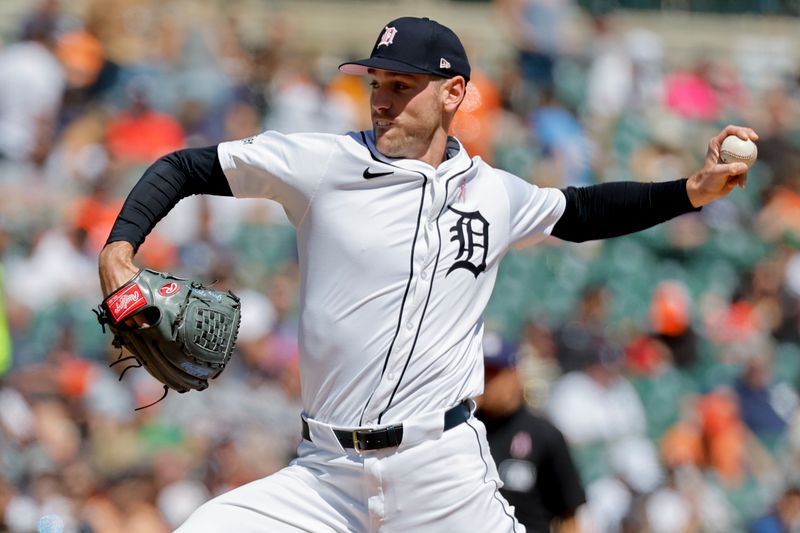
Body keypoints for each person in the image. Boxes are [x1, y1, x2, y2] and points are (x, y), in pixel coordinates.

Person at [97, 15, 757, 532]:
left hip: (440, 471)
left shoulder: (495, 192)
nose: (381, 101)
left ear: (454, 93)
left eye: (401, 86)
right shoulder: (320, 164)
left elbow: (581, 211)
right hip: (326, 473)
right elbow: (182, 168)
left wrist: (689, 191)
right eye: (376, 84)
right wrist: (119, 251)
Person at [476, 332, 585, 532]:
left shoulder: (544, 434)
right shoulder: (466, 431)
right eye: (483, 373)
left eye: (495, 373)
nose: (488, 383)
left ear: (515, 374)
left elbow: (569, 514)